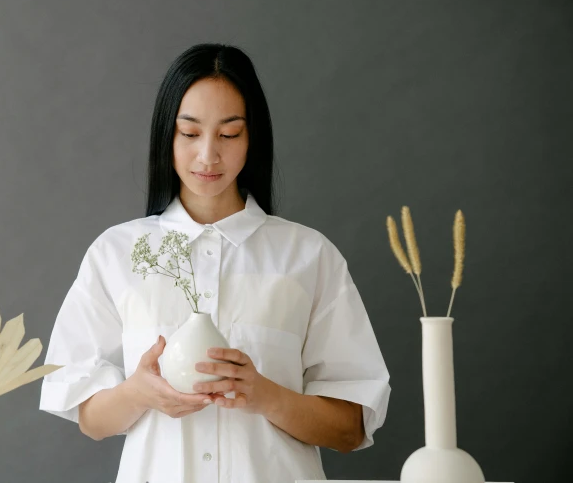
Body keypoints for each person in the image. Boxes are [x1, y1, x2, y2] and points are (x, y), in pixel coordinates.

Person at [39, 43, 390, 483]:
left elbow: (350, 428)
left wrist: (265, 395)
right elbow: (89, 417)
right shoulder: (116, 253)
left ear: (252, 137)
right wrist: (138, 393)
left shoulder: (309, 256)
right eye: (189, 133)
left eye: (228, 134)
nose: (208, 155)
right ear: (167, 135)